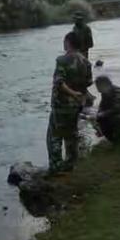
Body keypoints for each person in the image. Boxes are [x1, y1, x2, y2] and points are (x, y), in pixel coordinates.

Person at [47, 31, 93, 173]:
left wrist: (72, 93)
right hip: (76, 106)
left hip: (62, 104)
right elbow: (89, 82)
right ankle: (70, 163)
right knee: (71, 133)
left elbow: (59, 82)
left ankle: (56, 166)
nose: (63, 44)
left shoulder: (62, 60)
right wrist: (80, 96)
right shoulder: (86, 62)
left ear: (68, 42)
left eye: (64, 41)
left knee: (54, 135)